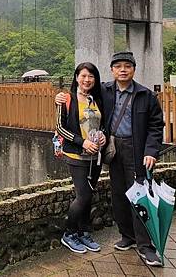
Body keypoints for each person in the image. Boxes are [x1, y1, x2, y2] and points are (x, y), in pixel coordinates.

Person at [56, 52, 165, 267]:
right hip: (112, 149)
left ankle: (145, 246)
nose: (122, 70)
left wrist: (151, 151)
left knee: (138, 195)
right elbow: (77, 96)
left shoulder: (145, 95)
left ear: (134, 69)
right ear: (112, 70)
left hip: (136, 149)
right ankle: (127, 236)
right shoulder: (105, 91)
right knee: (118, 194)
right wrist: (59, 97)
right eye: (118, 66)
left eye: (127, 66)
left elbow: (155, 126)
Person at [56, 62, 107, 254]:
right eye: (83, 76)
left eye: (91, 76)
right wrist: (82, 142)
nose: (87, 80)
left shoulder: (97, 99)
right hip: (76, 154)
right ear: (76, 77)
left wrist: (103, 136)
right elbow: (60, 128)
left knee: (89, 195)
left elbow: (103, 125)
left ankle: (83, 232)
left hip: (95, 156)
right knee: (83, 195)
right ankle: (69, 234)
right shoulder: (66, 99)